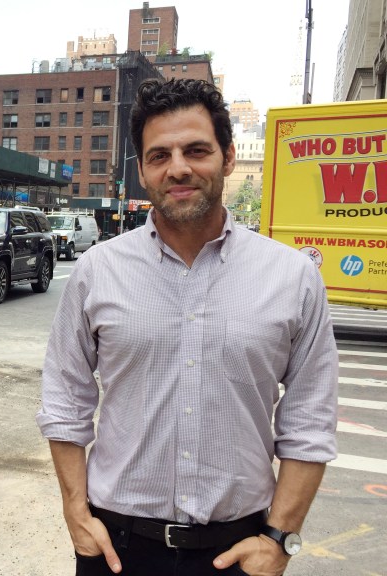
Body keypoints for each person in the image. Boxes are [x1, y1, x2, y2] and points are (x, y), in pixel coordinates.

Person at [36, 78, 338, 576]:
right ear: (143, 170)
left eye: (196, 150)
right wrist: (75, 510)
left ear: (228, 156)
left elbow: (309, 422)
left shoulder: (292, 278)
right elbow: (65, 399)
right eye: (159, 155)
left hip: (240, 551)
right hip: (117, 549)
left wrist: (280, 540)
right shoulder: (97, 271)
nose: (178, 167)